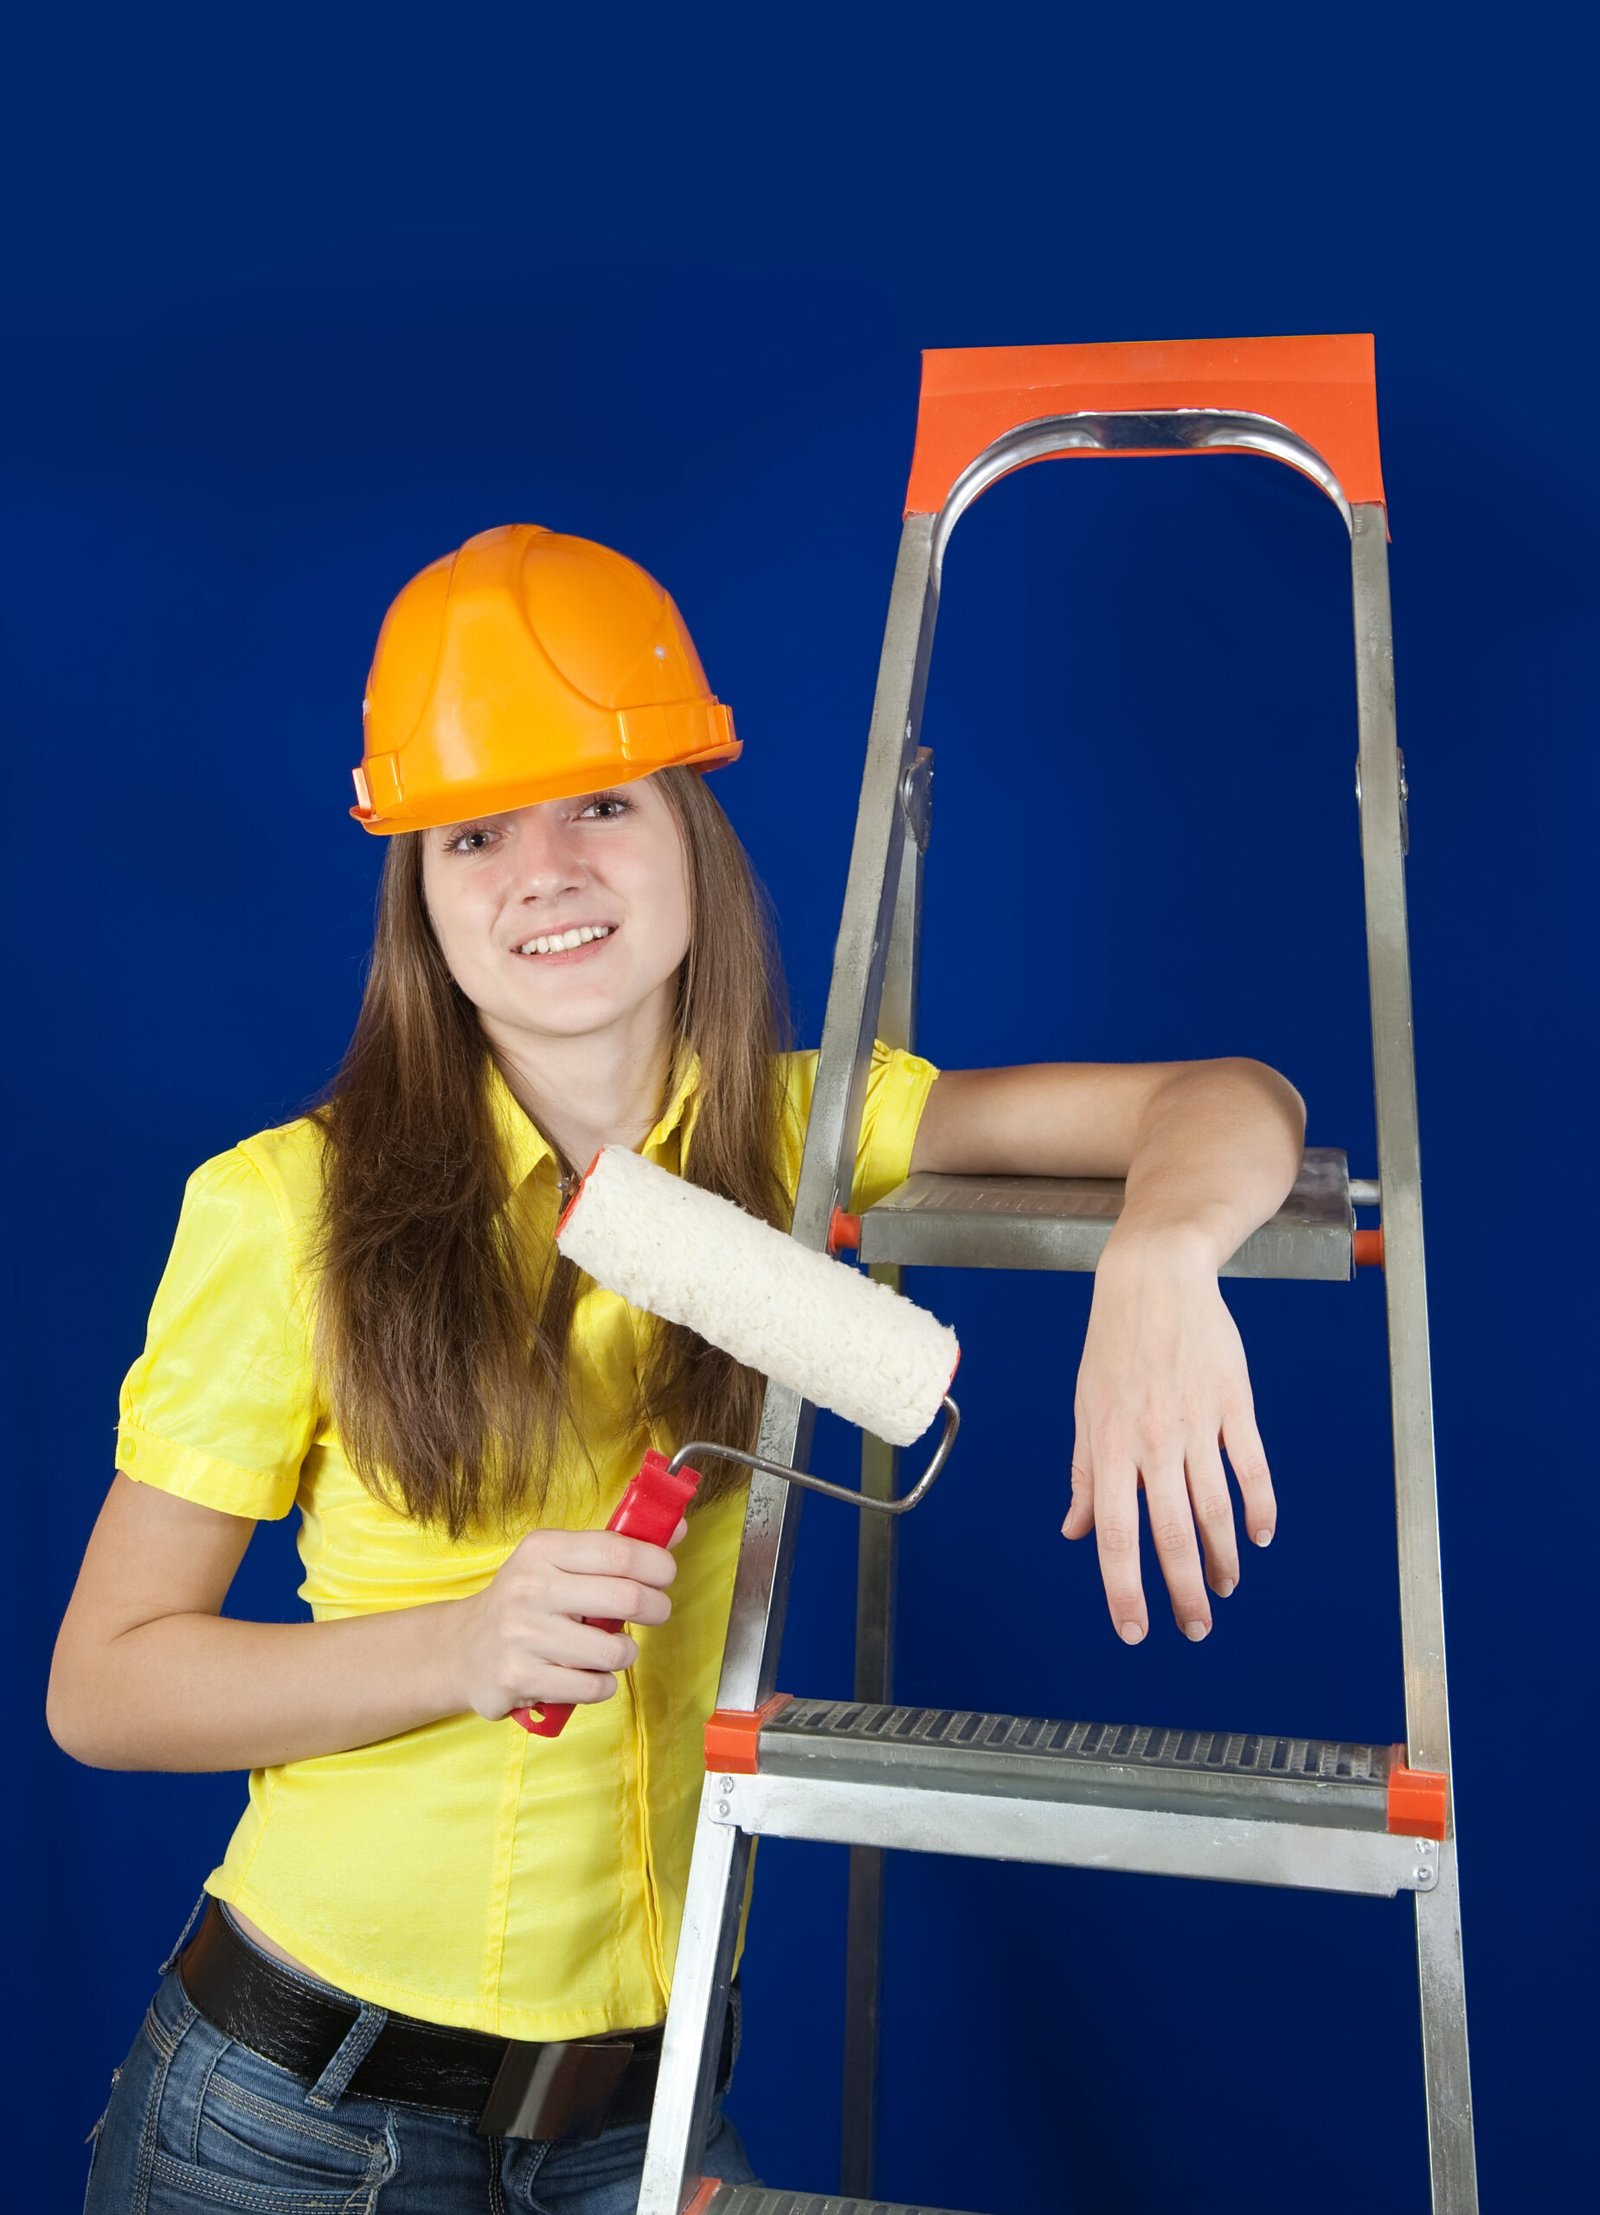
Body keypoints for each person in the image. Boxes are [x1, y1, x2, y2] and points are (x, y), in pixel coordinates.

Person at [49, 523, 1307, 2212]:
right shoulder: (289, 1211)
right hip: (287, 2123)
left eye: (604, 803)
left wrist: (1160, 1261)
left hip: (635, 2128)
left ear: (690, 834)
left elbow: (1229, 1100)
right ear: (420, 897)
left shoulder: (804, 1132)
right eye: (476, 833)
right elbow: (104, 1686)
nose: (543, 870)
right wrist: (462, 1643)